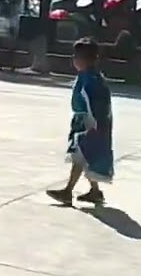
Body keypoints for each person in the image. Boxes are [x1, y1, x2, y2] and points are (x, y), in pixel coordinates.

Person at [47, 38, 114, 206]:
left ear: (85, 60)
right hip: (83, 121)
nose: (74, 59)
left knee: (80, 156)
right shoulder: (90, 77)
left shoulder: (91, 81)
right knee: (85, 157)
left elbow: (96, 105)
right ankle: (95, 191)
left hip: (88, 123)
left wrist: (93, 125)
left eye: (77, 56)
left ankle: (68, 191)